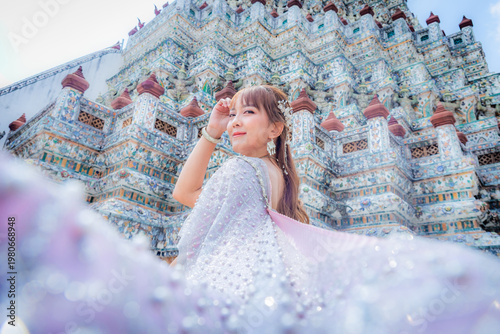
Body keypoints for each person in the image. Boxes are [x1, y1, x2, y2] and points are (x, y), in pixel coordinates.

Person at [1, 85, 499, 333]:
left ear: (277, 128)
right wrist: (214, 131)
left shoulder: (244, 173)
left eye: (248, 113)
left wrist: (214, 134)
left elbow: (188, 205)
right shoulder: (269, 177)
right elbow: (189, 197)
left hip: (226, 279)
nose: (237, 120)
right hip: (251, 277)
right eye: (233, 112)